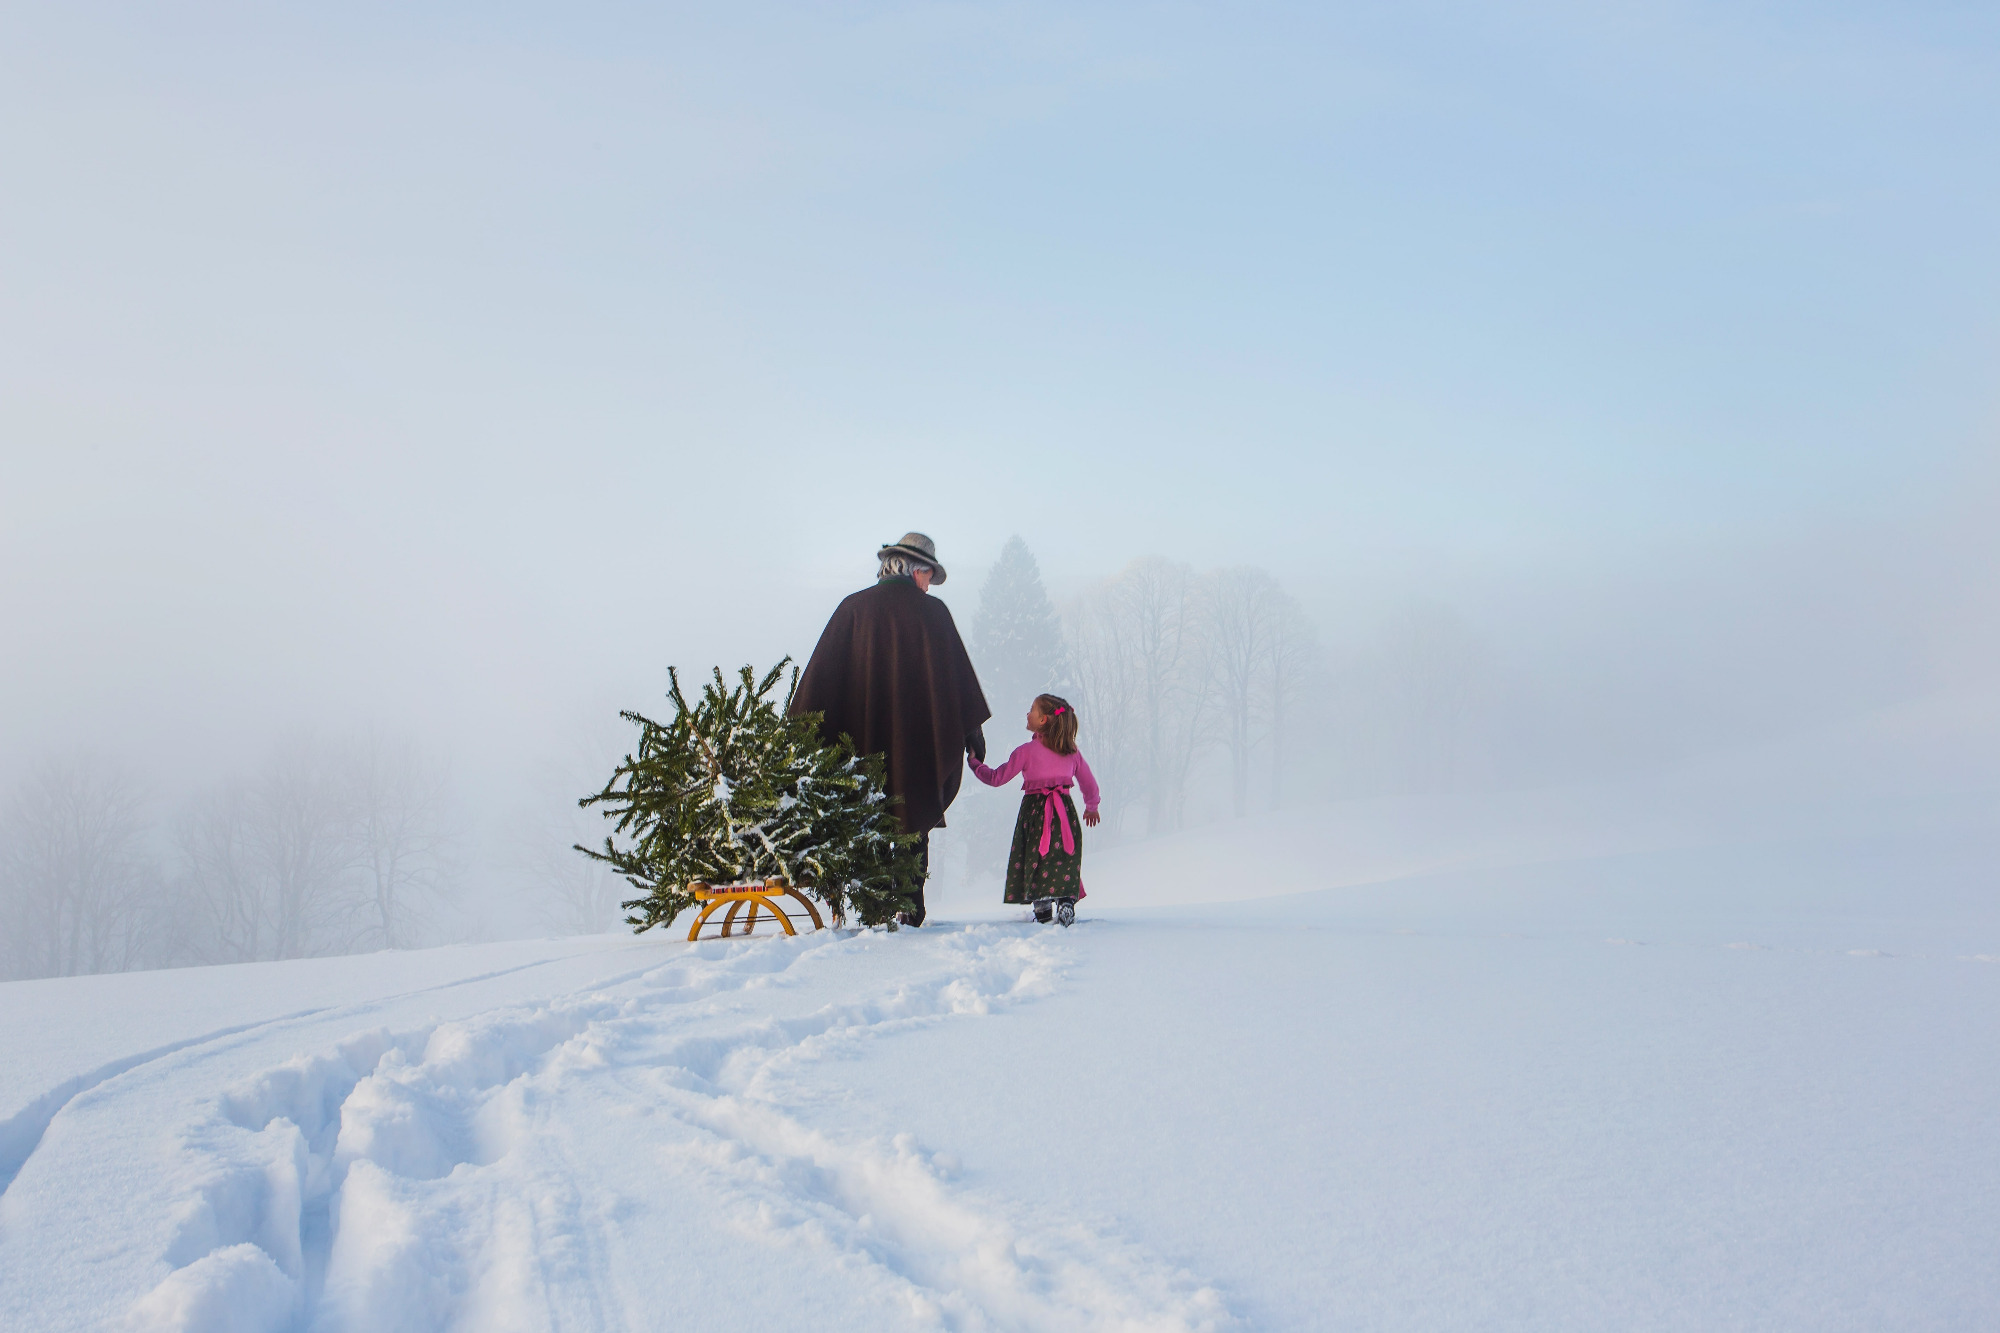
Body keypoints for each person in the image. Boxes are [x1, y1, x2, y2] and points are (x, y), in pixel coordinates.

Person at [790, 532, 991, 926]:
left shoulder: (852, 609)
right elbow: (956, 685)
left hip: (860, 743)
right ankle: (910, 905)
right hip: (917, 745)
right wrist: (970, 732)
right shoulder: (933, 614)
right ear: (916, 569)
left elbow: (820, 681)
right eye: (929, 575)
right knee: (913, 816)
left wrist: (800, 737)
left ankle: (873, 907)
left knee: (869, 818)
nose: (929, 584)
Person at [968, 693, 1101, 924]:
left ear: (1043, 721)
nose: (1027, 713)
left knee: (1035, 857)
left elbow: (997, 778)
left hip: (1035, 815)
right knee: (1062, 858)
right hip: (1064, 816)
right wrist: (1091, 806)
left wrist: (975, 764)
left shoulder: (1025, 752)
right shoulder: (1071, 752)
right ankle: (1066, 901)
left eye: (1032, 709)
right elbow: (1089, 782)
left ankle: (1042, 909)